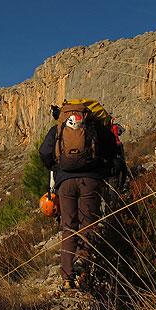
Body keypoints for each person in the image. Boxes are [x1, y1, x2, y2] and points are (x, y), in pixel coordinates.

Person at [39, 100, 117, 291]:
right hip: (90, 181)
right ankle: (85, 270)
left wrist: (57, 169)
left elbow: (44, 153)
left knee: (68, 227)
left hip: (65, 183)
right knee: (88, 225)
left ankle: (67, 277)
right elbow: (111, 148)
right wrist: (103, 167)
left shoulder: (58, 129)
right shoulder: (93, 126)